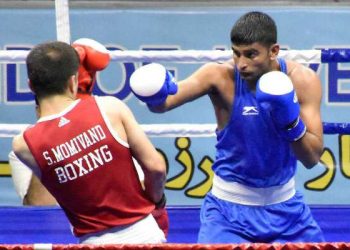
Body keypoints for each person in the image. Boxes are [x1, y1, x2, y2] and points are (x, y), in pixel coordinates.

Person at [129, 11, 325, 243]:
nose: (241, 64)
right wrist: (155, 93)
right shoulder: (219, 76)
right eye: (236, 53)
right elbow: (163, 105)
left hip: (288, 212)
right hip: (227, 213)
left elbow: (312, 158)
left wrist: (290, 121)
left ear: (274, 51)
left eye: (251, 54)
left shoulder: (302, 80)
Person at [12, 40, 167, 244]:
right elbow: (156, 168)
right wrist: (156, 200)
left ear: (31, 86)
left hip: (92, 242)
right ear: (73, 81)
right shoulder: (110, 109)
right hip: (145, 234)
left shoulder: (23, 144)